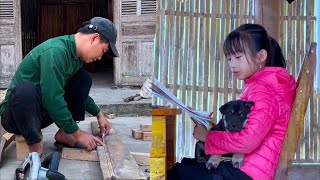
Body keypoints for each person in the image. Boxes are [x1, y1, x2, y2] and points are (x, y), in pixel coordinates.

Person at [167, 24, 297, 180]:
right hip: (247, 167)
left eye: (238, 57)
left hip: (249, 172)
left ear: (261, 57)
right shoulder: (263, 86)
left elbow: (247, 141)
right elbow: (249, 130)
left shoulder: (264, 91)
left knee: (177, 173)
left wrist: (208, 137)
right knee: (184, 166)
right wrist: (212, 126)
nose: (232, 64)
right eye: (229, 58)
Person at [0, 17, 119, 154]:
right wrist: (79, 134)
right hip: (16, 116)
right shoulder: (55, 52)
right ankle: (34, 147)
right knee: (26, 90)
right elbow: (52, 99)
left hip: (38, 115)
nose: (99, 58)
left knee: (83, 78)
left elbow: (76, 95)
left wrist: (99, 114)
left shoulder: (76, 59)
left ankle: (65, 134)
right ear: (94, 38)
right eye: (103, 51)